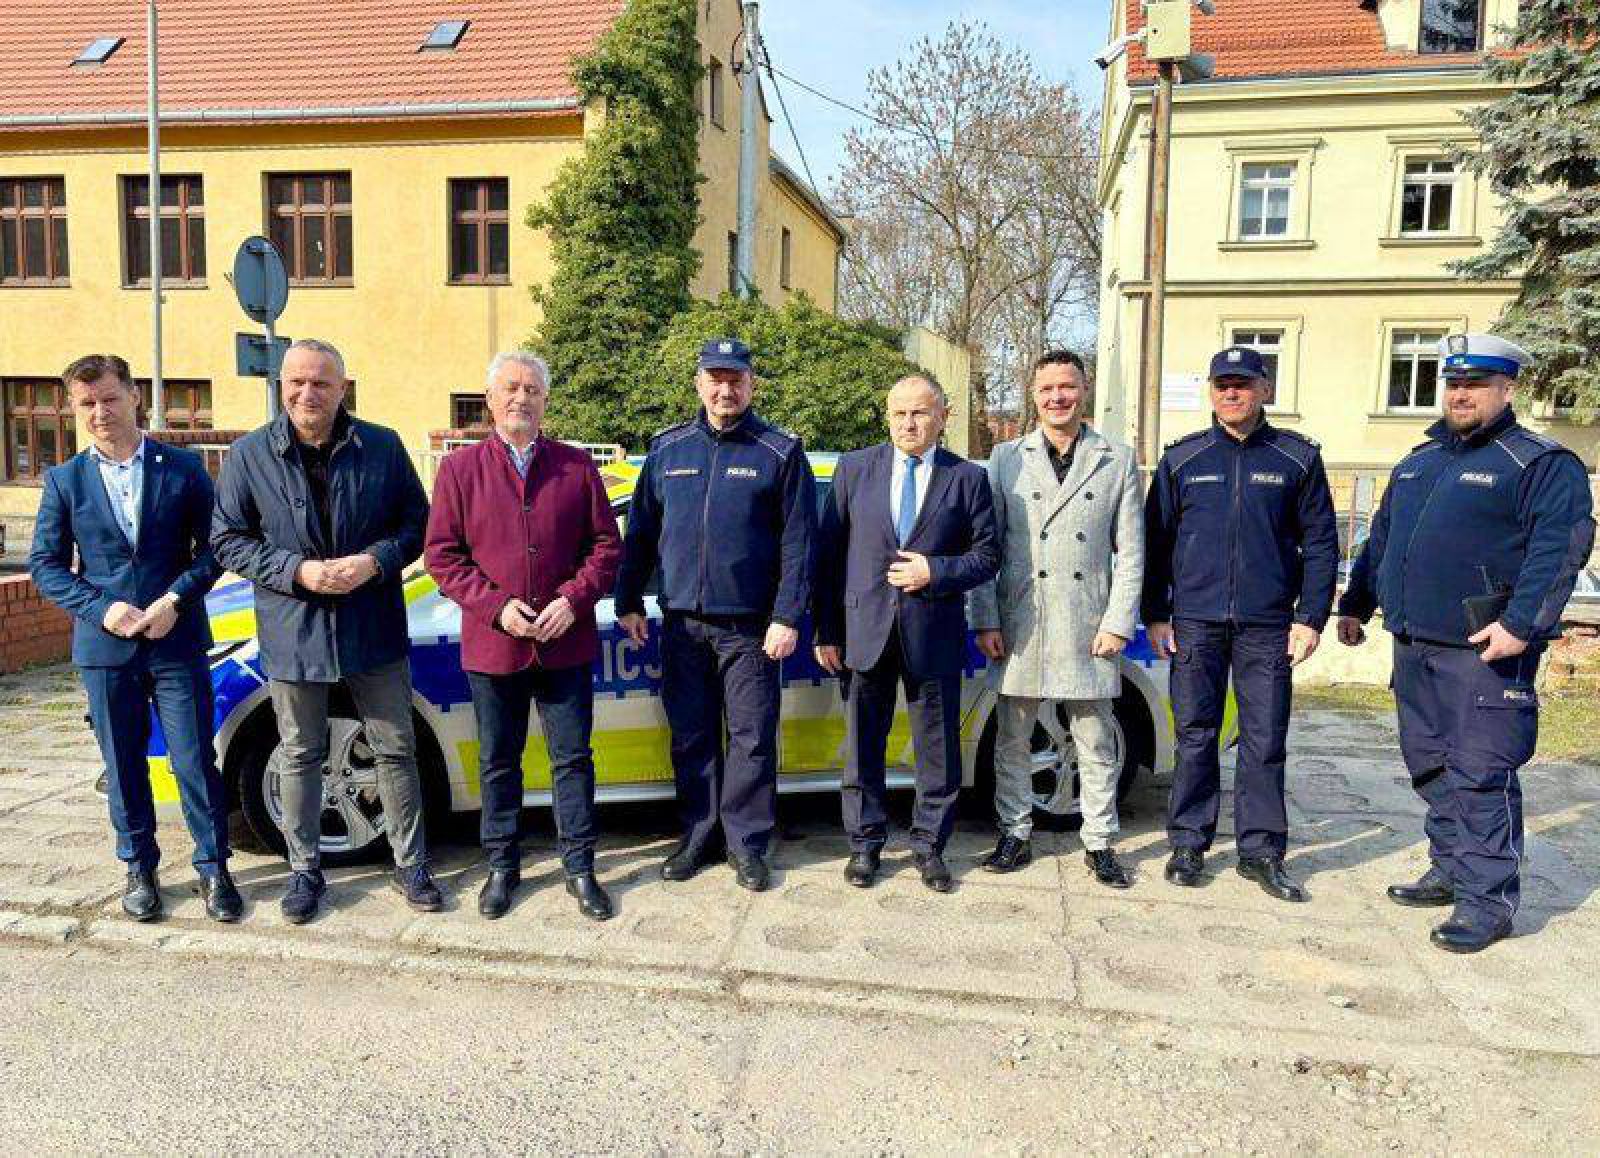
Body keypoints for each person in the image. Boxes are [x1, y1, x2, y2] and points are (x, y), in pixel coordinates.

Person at [1336, 333, 1595, 953]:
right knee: (1429, 765)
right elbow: (1382, 538)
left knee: (1481, 774)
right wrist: (1356, 603)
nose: (1459, 394)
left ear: (1508, 389)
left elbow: (1559, 550)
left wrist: (1520, 625)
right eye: (1453, 384)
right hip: (1414, 644)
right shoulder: (1420, 460)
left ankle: (1488, 902)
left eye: (1475, 384)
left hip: (1484, 650)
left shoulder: (1536, 462)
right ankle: (1451, 867)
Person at [211, 338, 439, 924]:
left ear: (343, 388)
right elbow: (227, 540)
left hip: (372, 623)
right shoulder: (249, 455)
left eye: (321, 383)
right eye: (297, 382)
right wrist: (298, 571)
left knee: (395, 746)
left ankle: (410, 865)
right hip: (294, 627)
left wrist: (375, 562)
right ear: (282, 386)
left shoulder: (382, 447)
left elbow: (418, 525)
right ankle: (304, 872)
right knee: (301, 752)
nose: (308, 394)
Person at [29, 355, 236, 922]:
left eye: (110, 398)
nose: (100, 412)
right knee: (123, 764)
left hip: (176, 641)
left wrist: (174, 600)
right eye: (86, 403)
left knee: (194, 760)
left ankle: (214, 868)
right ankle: (138, 866)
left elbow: (216, 549)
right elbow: (46, 565)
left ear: (134, 395)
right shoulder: (65, 481)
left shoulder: (184, 468)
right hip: (106, 650)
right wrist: (102, 609)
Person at [425, 353, 623, 921]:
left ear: (545, 401)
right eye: (510, 388)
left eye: (532, 389)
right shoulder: (460, 471)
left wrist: (572, 599)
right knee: (498, 762)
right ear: (489, 400)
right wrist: (495, 608)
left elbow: (607, 548)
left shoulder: (575, 466)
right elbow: (442, 557)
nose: (521, 397)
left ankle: (580, 867)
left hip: (566, 641)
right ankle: (502, 867)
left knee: (572, 760)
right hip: (496, 645)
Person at [614, 339, 816, 891]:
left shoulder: (778, 451)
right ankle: (698, 835)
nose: (726, 389)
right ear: (699, 383)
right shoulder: (667, 449)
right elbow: (641, 534)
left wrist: (787, 615)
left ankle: (747, 843)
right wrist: (628, 598)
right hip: (682, 624)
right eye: (715, 378)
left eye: (737, 379)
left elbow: (800, 543)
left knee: (752, 738)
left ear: (752, 385)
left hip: (751, 629)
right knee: (691, 736)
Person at [1142, 346, 1339, 902]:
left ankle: (1260, 851)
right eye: (1223, 384)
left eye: (1244, 384)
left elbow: (1322, 543)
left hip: (1268, 626)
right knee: (1195, 735)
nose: (1232, 393)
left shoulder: (1296, 458)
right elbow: (1154, 543)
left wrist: (1310, 618)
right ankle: (1188, 842)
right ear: (1211, 391)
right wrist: (1154, 613)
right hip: (1196, 623)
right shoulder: (1183, 459)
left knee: (1263, 739)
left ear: (1264, 389)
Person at [814, 375, 1000, 893]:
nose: (908, 424)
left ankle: (929, 847)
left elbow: (987, 556)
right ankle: (865, 846)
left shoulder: (967, 479)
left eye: (920, 413)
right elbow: (828, 558)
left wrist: (934, 572)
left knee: (938, 750)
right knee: (862, 747)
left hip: (933, 632)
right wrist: (827, 630)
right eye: (899, 413)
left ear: (942, 416)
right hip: (863, 631)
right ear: (887, 415)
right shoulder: (855, 469)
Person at [969, 350, 1145, 886]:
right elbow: (985, 546)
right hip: (1022, 619)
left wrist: (1118, 621)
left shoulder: (1116, 457)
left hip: (1089, 622)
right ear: (1033, 394)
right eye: (1046, 389)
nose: (1057, 398)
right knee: (1012, 738)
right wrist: (985, 619)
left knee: (1094, 740)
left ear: (1083, 390)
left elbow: (1132, 551)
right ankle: (1014, 834)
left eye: (1066, 387)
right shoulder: (1004, 458)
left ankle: (1099, 842)